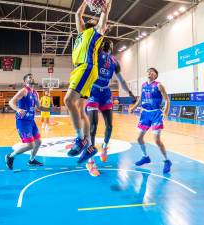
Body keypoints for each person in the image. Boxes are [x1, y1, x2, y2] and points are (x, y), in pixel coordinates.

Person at [64, 0, 112, 164]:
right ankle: (90, 146)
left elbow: (104, 17)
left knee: (68, 100)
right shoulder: (81, 34)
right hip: (79, 69)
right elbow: (77, 14)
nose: (85, 21)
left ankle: (80, 139)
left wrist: (106, 6)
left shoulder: (96, 32)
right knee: (79, 108)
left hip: (87, 66)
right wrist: (85, 1)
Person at [85, 39, 135, 176]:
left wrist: (130, 93)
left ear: (112, 48)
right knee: (93, 126)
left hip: (106, 92)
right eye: (105, 43)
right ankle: (90, 161)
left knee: (110, 126)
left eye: (110, 43)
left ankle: (105, 147)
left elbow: (122, 80)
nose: (108, 44)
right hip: (93, 91)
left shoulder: (114, 62)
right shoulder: (95, 55)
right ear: (101, 45)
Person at [129, 68, 172, 174]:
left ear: (155, 75)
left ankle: (166, 161)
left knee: (156, 140)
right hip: (145, 114)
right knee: (139, 138)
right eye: (148, 71)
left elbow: (167, 99)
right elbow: (140, 98)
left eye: (152, 72)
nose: (149, 73)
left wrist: (165, 111)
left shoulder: (159, 85)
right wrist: (134, 107)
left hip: (156, 113)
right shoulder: (143, 85)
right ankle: (145, 157)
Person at [5, 74, 43, 170]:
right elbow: (11, 102)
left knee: (38, 142)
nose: (32, 78)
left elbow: (39, 107)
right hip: (22, 121)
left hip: (31, 121)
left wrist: (51, 108)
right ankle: (10, 156)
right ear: (25, 82)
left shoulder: (35, 93)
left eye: (32, 77)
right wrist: (18, 109)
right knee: (30, 145)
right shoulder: (24, 91)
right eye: (29, 77)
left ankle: (31, 160)